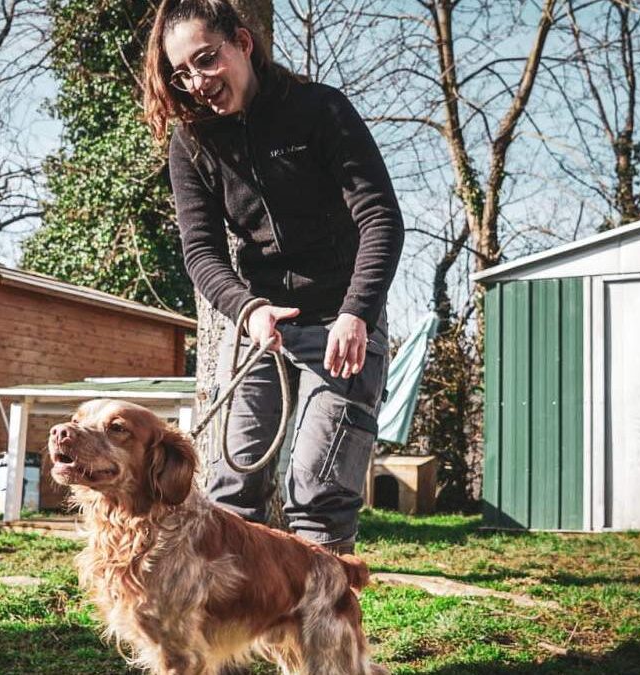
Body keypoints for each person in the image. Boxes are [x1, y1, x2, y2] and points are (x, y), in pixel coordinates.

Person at [144, 0, 403, 555]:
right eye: (182, 74)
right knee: (230, 494)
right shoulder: (193, 144)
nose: (197, 82)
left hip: (342, 325)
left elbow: (381, 218)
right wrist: (249, 309)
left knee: (318, 492)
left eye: (207, 59)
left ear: (243, 43)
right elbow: (202, 254)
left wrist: (357, 313)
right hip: (263, 331)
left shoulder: (320, 110)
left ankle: (322, 639)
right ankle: (229, 639)